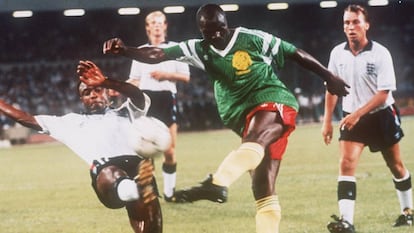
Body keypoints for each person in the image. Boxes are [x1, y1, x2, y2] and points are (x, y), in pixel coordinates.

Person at [103, 4, 349, 233]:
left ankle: (218, 183)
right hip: (242, 116)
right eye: (210, 32)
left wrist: (329, 76)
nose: (217, 35)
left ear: (226, 22)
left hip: (272, 100)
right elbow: (159, 53)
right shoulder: (199, 49)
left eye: (221, 28)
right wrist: (126, 50)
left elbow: (294, 53)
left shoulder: (252, 38)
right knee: (263, 188)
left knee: (253, 141)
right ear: (202, 31)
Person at [0, 60, 162, 233]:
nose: (93, 95)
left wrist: (106, 80)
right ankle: (131, 189)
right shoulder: (72, 122)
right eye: (87, 93)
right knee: (115, 175)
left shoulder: (127, 111)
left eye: (98, 90)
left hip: (139, 169)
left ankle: (134, 190)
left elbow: (137, 95)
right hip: (107, 175)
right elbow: (26, 118)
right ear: (82, 99)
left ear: (108, 93)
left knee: (151, 227)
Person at [321, 4, 413, 233]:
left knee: (396, 166)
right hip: (352, 118)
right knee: (346, 163)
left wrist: (356, 114)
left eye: (355, 22)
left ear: (366, 25)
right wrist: (326, 122)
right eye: (346, 23)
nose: (351, 27)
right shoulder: (337, 54)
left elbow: (383, 95)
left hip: (381, 116)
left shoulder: (380, 53)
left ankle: (408, 212)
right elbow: (331, 89)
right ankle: (347, 221)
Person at [127, 11, 190, 202]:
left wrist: (165, 75)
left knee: (169, 150)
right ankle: (148, 193)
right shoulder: (140, 51)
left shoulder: (175, 49)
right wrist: (119, 87)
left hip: (166, 99)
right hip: (146, 101)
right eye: (152, 23)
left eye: (159, 22)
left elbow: (186, 77)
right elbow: (135, 80)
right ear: (147, 27)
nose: (156, 25)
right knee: (146, 152)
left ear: (165, 26)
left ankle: (169, 193)